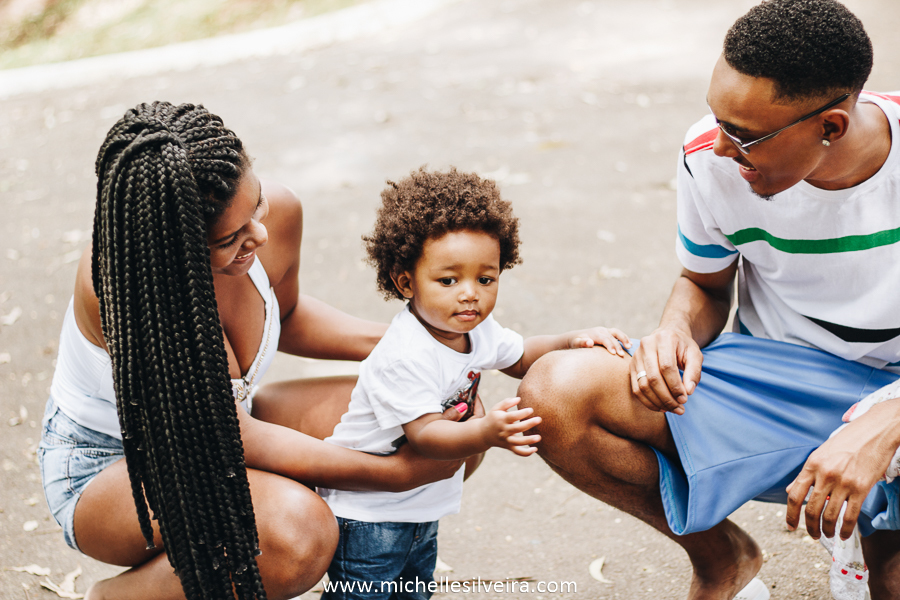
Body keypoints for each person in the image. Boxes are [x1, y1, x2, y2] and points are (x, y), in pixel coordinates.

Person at [516, 2, 900, 599]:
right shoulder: (709, 157)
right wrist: (674, 329)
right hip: (784, 382)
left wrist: (883, 424)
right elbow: (704, 282)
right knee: (557, 394)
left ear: (831, 126)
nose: (719, 146)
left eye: (743, 135)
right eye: (718, 119)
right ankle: (723, 558)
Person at [38, 102, 467, 600]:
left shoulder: (277, 215)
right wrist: (396, 476)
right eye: (230, 238)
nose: (258, 234)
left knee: (435, 417)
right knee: (297, 535)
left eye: (256, 204)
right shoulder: (130, 288)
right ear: (175, 247)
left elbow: (289, 315)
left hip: (229, 425)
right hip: (114, 469)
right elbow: (235, 438)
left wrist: (427, 346)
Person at [317, 168, 631, 599]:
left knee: (413, 590)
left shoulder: (472, 329)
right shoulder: (404, 355)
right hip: (369, 514)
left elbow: (519, 356)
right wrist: (486, 432)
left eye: (485, 279)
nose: (470, 294)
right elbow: (425, 435)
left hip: (418, 504)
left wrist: (571, 340)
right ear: (405, 281)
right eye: (448, 281)